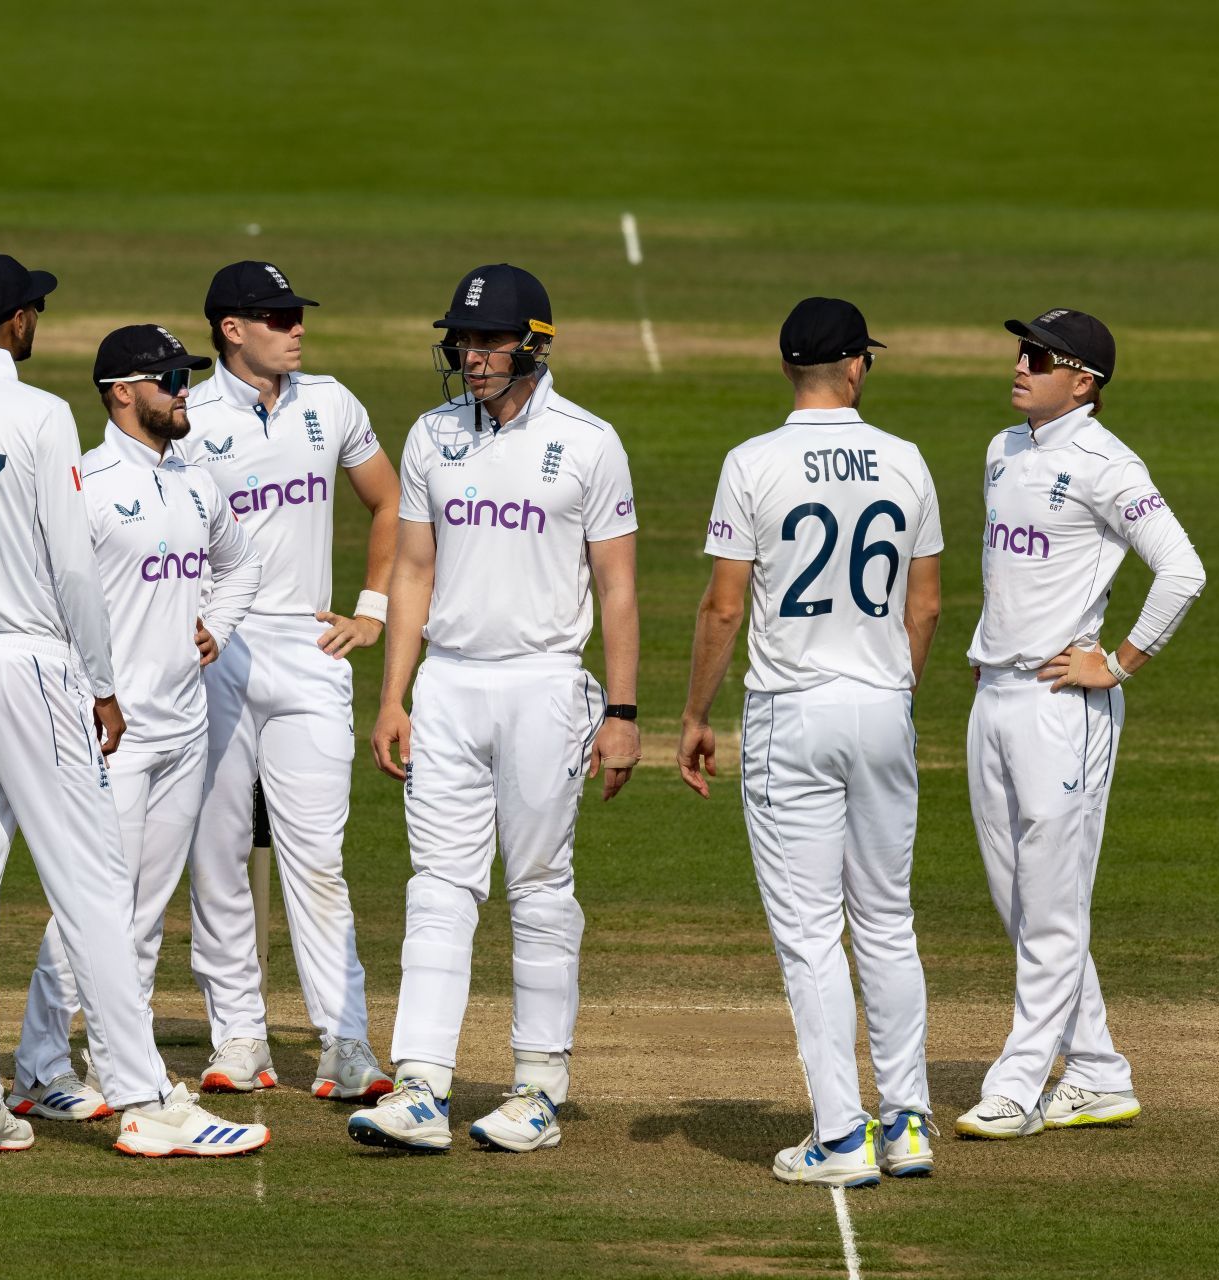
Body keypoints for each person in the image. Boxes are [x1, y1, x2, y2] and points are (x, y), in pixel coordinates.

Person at [0, 253, 266, 1158]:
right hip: (27, 660)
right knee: (92, 879)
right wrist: (99, 682)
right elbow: (71, 566)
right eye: (33, 309)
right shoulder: (41, 414)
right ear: (16, 322)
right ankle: (144, 1100)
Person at [347, 264, 640, 1153]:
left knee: (542, 888)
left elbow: (618, 588)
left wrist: (622, 711)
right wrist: (393, 694)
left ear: (534, 345)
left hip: (547, 684)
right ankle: (422, 1086)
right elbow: (412, 572)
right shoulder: (434, 435)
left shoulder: (589, 441)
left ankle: (538, 1088)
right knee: (438, 885)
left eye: (487, 342)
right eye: (462, 342)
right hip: (448, 684)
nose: (470, 357)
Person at [677, 298, 943, 1186]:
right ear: (857, 365)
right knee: (887, 922)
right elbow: (927, 604)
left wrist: (694, 716)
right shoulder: (905, 461)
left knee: (808, 935)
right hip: (881, 706)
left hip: (792, 711)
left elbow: (723, 605)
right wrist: (890, 688)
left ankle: (840, 1136)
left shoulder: (751, 462)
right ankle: (905, 1122)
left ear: (788, 367)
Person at [955, 310, 1205, 1139]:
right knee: (1022, 904)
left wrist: (1119, 660)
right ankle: (1098, 1073)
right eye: (1019, 350)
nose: (1019, 364)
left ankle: (1018, 1084)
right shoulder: (1002, 451)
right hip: (993, 696)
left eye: (1038, 356)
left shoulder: (1107, 463)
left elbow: (1182, 569)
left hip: (1065, 707)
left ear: (1084, 380)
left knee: (1054, 906)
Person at [7, 325, 261, 1122]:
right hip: (108, 735)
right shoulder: (82, 483)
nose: (185, 389)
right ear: (121, 391)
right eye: (169, 378)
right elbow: (48, 601)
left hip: (186, 730)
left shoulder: (195, 481)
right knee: (94, 907)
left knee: (144, 914)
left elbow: (241, 560)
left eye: (186, 376)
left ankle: (124, 1063)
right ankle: (42, 1066)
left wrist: (216, 622)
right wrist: (85, 692)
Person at [178, 261, 399, 1100]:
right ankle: (238, 1037)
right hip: (216, 655)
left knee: (318, 857)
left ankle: (347, 1041)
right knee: (218, 851)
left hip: (311, 651)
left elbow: (390, 500)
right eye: (276, 316)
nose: (296, 326)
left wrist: (371, 608)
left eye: (295, 313)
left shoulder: (330, 402)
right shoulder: (188, 416)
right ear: (231, 329)